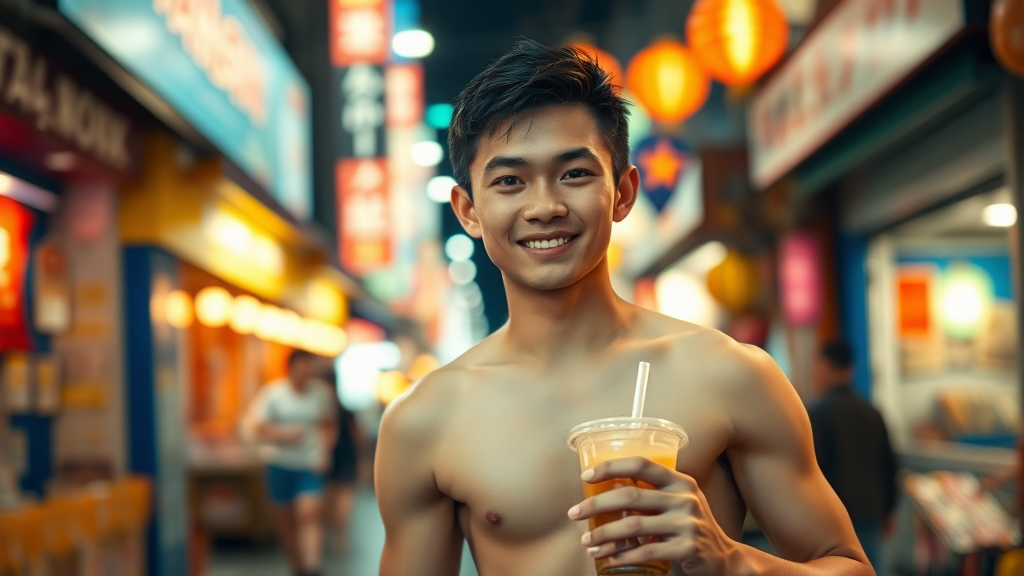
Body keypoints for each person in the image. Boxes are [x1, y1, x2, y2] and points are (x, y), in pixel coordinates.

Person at [375, 40, 872, 576]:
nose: (545, 207)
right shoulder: (425, 420)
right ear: (469, 210)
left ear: (623, 193)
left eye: (575, 174)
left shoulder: (728, 375)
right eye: (509, 182)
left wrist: (732, 562)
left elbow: (850, 567)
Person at [242, 350, 337, 576]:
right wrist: (281, 434)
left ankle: (313, 567)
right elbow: (256, 426)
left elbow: (329, 425)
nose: (306, 372)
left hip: (309, 463)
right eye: (302, 367)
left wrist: (325, 452)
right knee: (285, 522)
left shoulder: (321, 393)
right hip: (279, 462)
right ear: (291, 369)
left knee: (309, 512)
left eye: (309, 367)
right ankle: (298, 567)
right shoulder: (273, 394)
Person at [809, 340, 898, 572]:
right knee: (873, 569)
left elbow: (812, 470)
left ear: (825, 365)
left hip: (834, 519)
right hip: (872, 511)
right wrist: (889, 511)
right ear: (851, 369)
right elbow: (889, 465)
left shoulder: (816, 413)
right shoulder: (873, 412)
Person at [324, 376, 362, 553]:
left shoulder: (341, 412)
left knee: (338, 500)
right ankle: (337, 537)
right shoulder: (334, 412)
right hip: (334, 459)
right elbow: (358, 438)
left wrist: (364, 462)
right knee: (335, 500)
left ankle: (337, 537)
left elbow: (356, 438)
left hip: (340, 459)